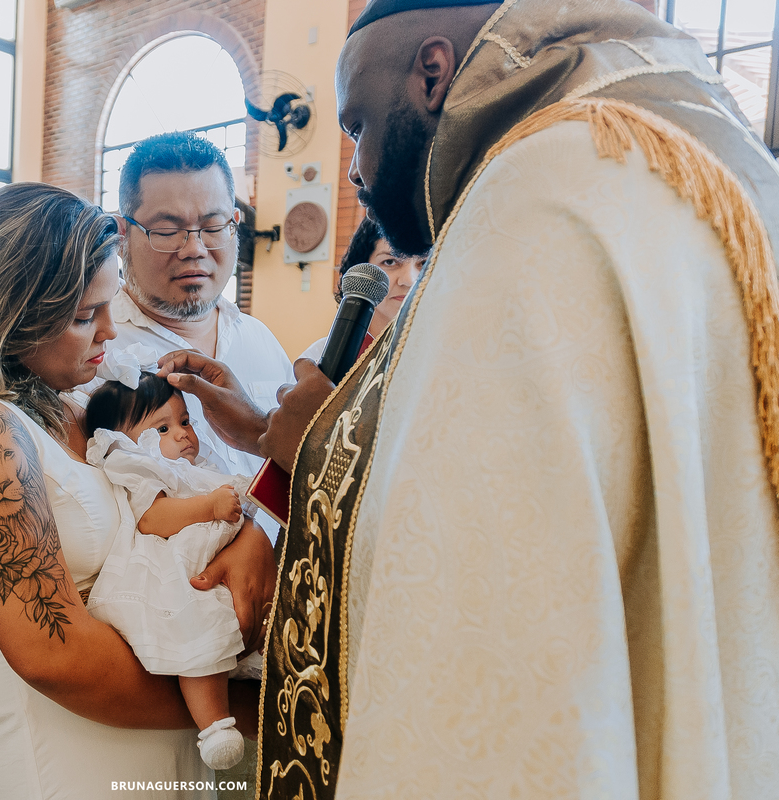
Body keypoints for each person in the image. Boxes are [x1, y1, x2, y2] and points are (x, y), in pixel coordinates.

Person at [170, 1, 779, 797]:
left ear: (431, 72)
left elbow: (477, 585)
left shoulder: (534, 197)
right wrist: (292, 440)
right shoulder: (689, 159)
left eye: (356, 124)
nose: (352, 166)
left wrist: (313, 444)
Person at [0, 182, 276, 798]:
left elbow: (164, 496)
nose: (111, 332)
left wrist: (245, 533)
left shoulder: (73, 404)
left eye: (108, 304)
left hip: (168, 754)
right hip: (59, 765)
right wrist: (245, 712)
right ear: (7, 312)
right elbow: (53, 656)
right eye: (83, 315)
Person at [96, 132, 294, 497]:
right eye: (167, 231)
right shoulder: (97, 351)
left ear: (235, 224)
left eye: (213, 227)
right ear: (122, 235)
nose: (194, 249)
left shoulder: (259, 338)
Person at [84, 370, 256, 771]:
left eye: (185, 421)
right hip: (175, 566)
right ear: (125, 439)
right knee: (196, 633)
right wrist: (210, 507)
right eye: (163, 426)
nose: (182, 434)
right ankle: (214, 723)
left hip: (211, 555)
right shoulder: (138, 467)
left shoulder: (193, 468)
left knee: (229, 620)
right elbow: (153, 517)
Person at [299, 217, 426, 362]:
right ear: (363, 270)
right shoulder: (318, 359)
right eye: (390, 262)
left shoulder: (448, 357)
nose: (409, 280)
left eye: (424, 263)